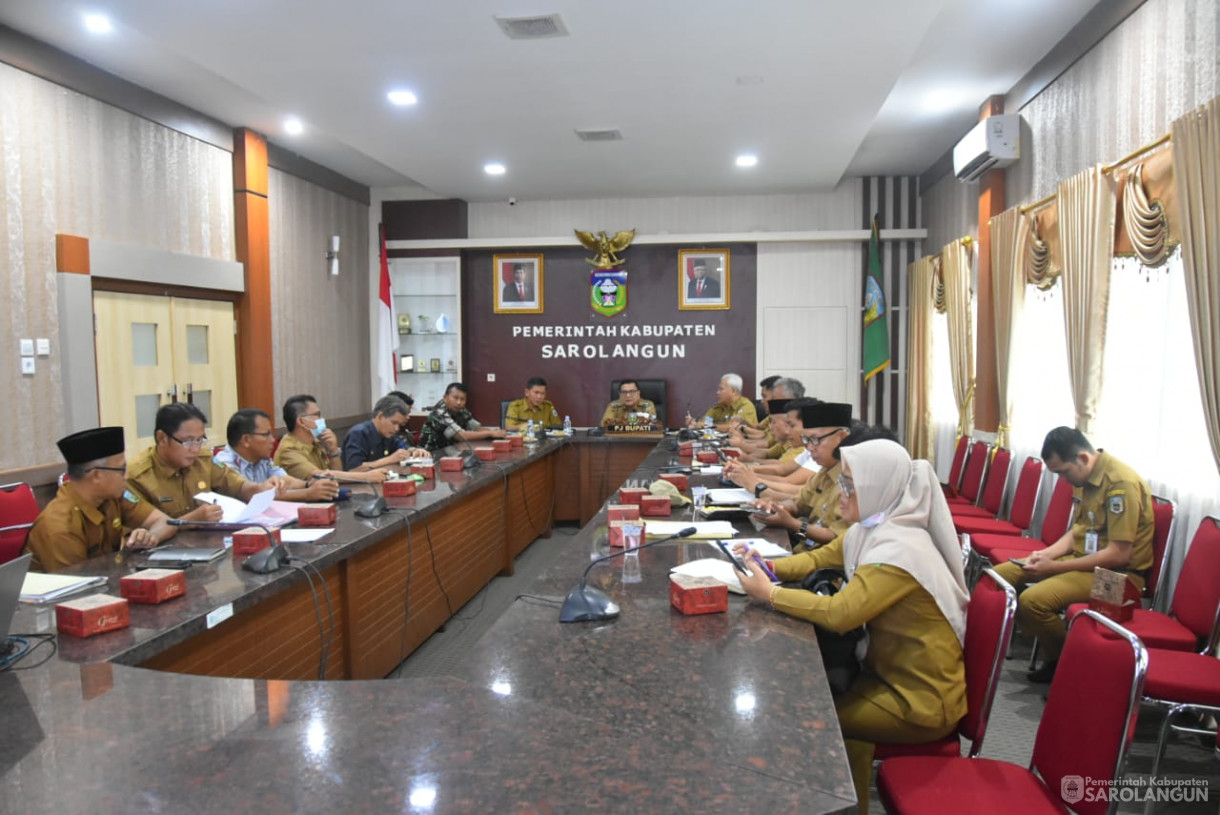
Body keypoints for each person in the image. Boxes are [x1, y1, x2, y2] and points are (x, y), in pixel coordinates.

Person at [735, 439, 968, 814]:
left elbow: (840, 612)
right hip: (881, 675)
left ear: (878, 487)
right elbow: (817, 558)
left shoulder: (900, 551)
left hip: (919, 700)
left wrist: (771, 595)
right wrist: (767, 566)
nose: (839, 493)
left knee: (810, 723)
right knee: (807, 706)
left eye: (848, 484)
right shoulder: (872, 527)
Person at [994, 426, 1154, 683]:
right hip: (1084, 565)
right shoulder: (1083, 477)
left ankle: (1070, 665)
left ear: (1083, 458)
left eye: (1064, 472)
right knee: (999, 576)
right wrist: (1043, 555)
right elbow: (1078, 530)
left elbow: (1119, 554)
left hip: (1118, 580)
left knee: (1033, 602)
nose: (1063, 480)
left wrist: (1053, 568)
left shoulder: (1119, 484)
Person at [26, 427, 177, 572]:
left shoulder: (116, 496)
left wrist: (150, 537)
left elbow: (166, 522)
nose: (126, 477)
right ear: (97, 475)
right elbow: (76, 587)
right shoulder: (60, 526)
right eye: (121, 470)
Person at [126, 403, 278, 521]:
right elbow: (146, 531)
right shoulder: (138, 476)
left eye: (200, 440)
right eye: (188, 441)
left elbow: (238, 486)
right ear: (162, 438)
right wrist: (192, 520)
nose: (195, 449)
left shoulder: (203, 460)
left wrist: (259, 488)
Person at [751, 402, 853, 551]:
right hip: (803, 544)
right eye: (807, 440)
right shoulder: (825, 472)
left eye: (816, 439)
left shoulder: (850, 479)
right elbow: (798, 504)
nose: (810, 447)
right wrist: (778, 507)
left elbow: (835, 538)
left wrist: (793, 524)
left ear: (842, 437)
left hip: (822, 560)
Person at [214, 408, 340, 502]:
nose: (273, 440)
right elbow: (255, 495)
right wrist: (308, 493)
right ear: (246, 440)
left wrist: (309, 484)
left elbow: (285, 481)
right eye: (266, 434)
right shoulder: (224, 463)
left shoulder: (261, 459)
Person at [272, 394, 388, 484]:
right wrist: (366, 477)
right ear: (301, 421)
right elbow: (319, 476)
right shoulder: (288, 450)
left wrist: (333, 452)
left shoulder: (316, 442)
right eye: (317, 415)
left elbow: (335, 477)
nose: (322, 419)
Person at [341, 395, 428, 471]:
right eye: (394, 423)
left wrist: (414, 451)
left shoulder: (388, 435)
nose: (397, 428)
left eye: (399, 425)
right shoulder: (358, 434)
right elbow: (354, 469)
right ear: (380, 416)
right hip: (358, 487)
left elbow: (403, 448)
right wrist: (389, 459)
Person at [418, 382, 507, 452]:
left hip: (450, 451)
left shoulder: (460, 409)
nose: (459, 402)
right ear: (445, 397)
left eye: (462, 399)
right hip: (429, 455)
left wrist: (496, 433)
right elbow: (461, 436)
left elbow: (475, 427)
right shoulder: (439, 413)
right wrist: (490, 433)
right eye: (455, 398)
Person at [686, 373, 757, 430]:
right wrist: (695, 424)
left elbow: (733, 427)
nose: (717, 392)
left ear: (733, 391)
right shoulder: (719, 406)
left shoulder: (746, 406)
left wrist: (709, 426)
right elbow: (705, 421)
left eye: (721, 389)